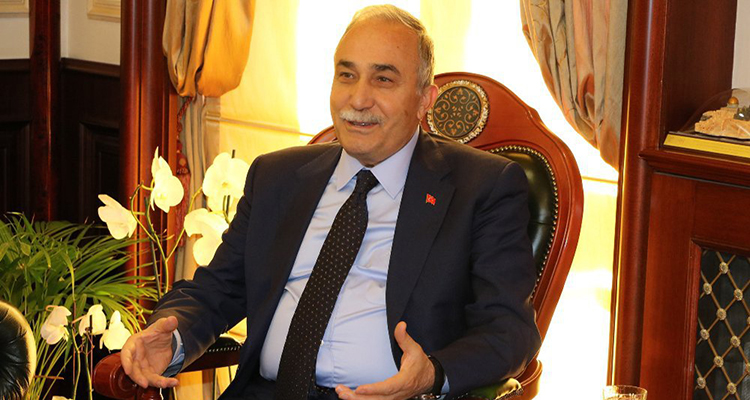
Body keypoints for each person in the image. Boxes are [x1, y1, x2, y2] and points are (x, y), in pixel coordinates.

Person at [120, 5, 540, 400]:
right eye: (346, 75)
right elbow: (218, 289)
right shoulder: (277, 177)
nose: (358, 99)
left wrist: (432, 373)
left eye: (383, 79)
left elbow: (509, 332)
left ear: (424, 100)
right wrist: (171, 337)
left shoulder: (481, 188)